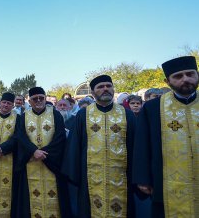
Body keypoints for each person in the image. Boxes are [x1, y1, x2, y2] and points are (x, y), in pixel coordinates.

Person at [62, 75, 137, 217]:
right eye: (100, 87)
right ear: (92, 92)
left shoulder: (126, 114)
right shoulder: (83, 114)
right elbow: (74, 146)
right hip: (90, 177)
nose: (105, 89)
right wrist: (75, 174)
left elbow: (135, 146)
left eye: (108, 86)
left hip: (122, 177)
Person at [133, 56, 198, 217]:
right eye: (178, 76)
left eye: (190, 74)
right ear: (167, 81)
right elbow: (142, 144)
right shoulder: (153, 108)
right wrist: (142, 177)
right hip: (166, 182)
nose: (185, 79)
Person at [16, 87, 71, 218]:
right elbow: (20, 137)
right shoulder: (24, 117)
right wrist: (33, 151)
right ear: (30, 101)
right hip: (31, 162)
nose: (39, 101)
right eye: (35, 99)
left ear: (45, 98)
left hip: (52, 163)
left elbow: (60, 137)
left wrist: (43, 153)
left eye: (41, 98)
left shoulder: (55, 114)